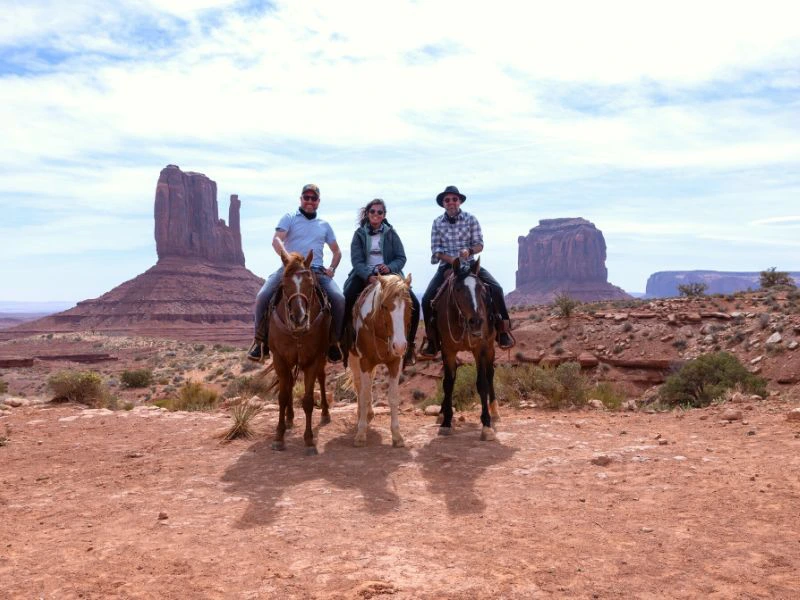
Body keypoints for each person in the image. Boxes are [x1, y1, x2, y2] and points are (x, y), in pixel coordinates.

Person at [247, 184, 345, 363]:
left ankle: (334, 343)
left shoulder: (325, 225)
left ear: (318, 202)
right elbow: (277, 239)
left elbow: (337, 251)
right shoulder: (290, 218)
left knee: (339, 298)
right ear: (300, 199)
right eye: (306, 198)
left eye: (313, 198)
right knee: (262, 296)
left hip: (315, 269)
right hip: (290, 268)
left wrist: (332, 268)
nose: (309, 201)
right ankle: (259, 342)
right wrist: (286, 256)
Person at [419, 185, 515, 358]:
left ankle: (502, 331)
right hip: (447, 267)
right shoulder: (437, 223)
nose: (451, 202)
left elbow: (479, 244)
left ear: (460, 201)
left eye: (454, 199)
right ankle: (432, 341)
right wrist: (452, 260)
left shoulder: (471, 219)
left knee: (497, 289)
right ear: (443, 203)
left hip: (470, 264)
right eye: (447, 200)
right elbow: (436, 250)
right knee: (427, 299)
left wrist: (469, 252)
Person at [342, 198, 421, 367]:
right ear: (367, 214)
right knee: (346, 297)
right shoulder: (359, 234)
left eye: (380, 212)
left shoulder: (391, 233)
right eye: (373, 211)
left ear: (384, 215)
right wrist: (367, 275)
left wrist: (390, 267)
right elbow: (356, 260)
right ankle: (344, 340)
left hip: (390, 277)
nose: (376, 214)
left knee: (414, 302)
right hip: (364, 274)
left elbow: (401, 257)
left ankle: (410, 346)